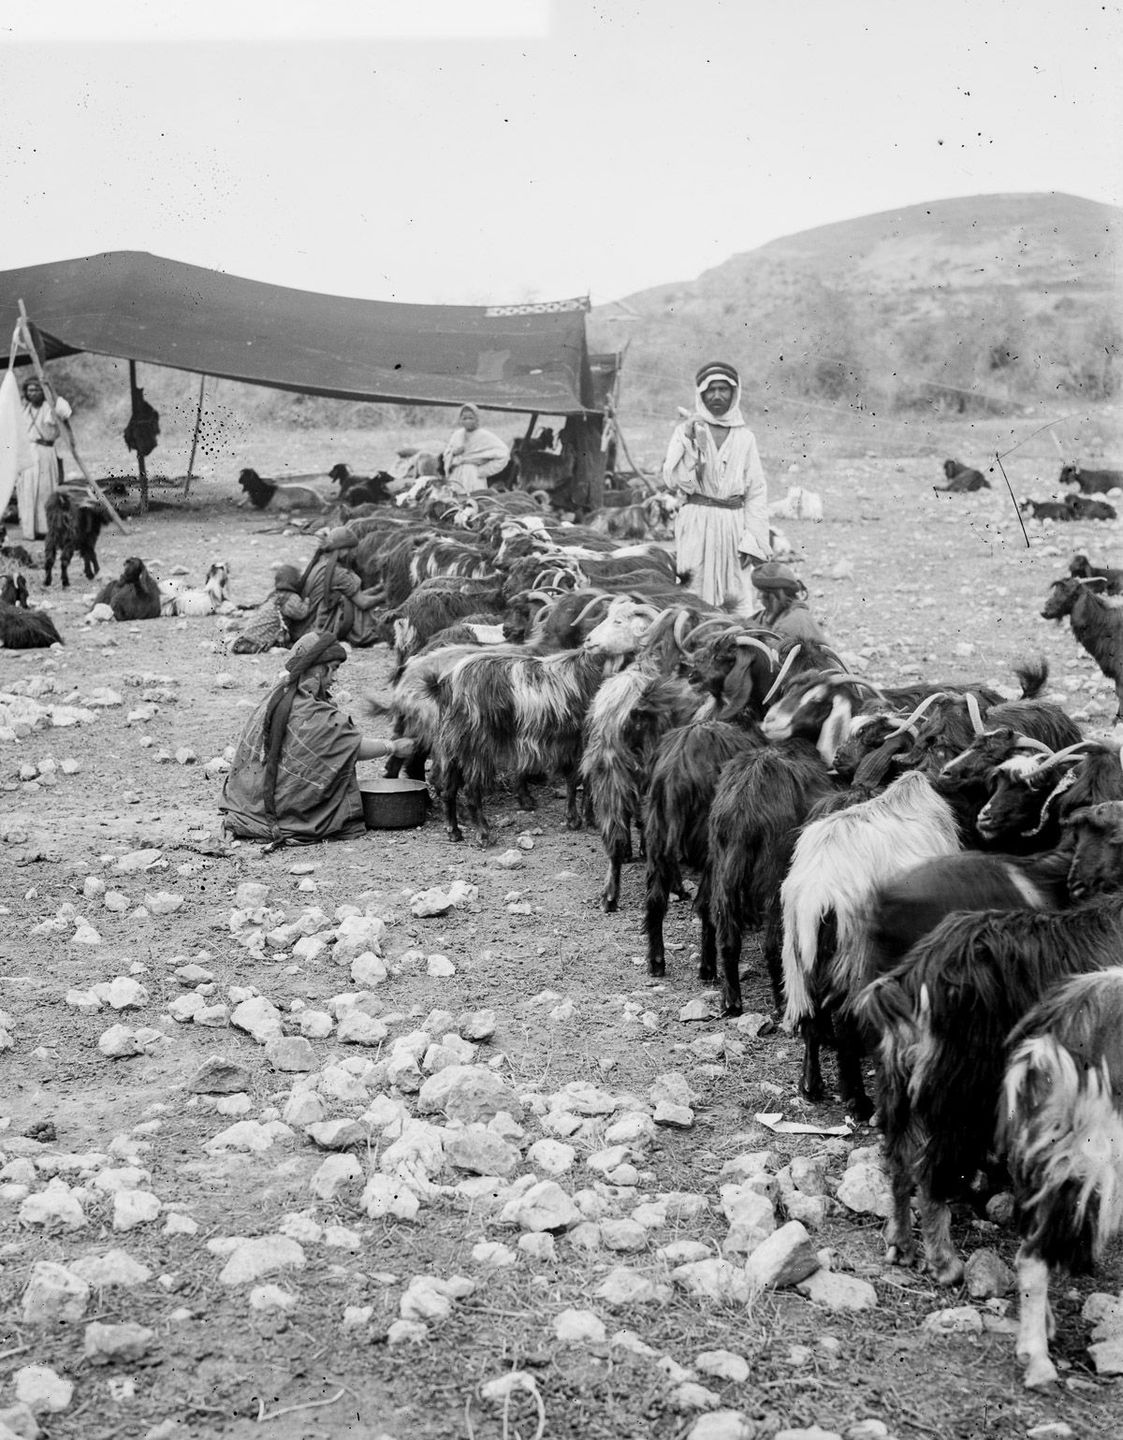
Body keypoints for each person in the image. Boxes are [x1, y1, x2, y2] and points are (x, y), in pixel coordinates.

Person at [220, 630, 416, 844]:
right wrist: (393, 747)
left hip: (249, 799)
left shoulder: (279, 694)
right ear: (315, 669)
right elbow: (350, 747)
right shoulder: (310, 712)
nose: (334, 678)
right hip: (285, 809)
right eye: (332, 669)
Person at [661, 361, 770, 609]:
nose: (717, 396)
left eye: (724, 389)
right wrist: (689, 444)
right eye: (711, 390)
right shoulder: (685, 431)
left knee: (735, 593)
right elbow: (672, 478)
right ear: (701, 393)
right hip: (696, 521)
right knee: (693, 590)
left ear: (734, 393)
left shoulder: (745, 438)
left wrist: (753, 540)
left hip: (733, 526)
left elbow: (756, 492)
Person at [296, 526, 384, 647]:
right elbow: (363, 602)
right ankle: (366, 636)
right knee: (351, 603)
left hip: (305, 626)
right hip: (318, 627)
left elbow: (355, 593)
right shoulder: (338, 573)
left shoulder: (321, 562)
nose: (355, 554)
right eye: (352, 550)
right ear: (342, 551)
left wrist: (378, 588)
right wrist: (386, 595)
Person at [17, 377, 72, 540]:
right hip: (28, 453)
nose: (32, 393)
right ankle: (31, 530)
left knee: (45, 492)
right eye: (30, 390)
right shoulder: (24, 409)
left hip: (45, 453)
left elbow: (64, 412)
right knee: (27, 491)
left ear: (43, 392)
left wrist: (51, 390)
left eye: (37, 390)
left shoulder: (49, 408)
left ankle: (47, 529)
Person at [230, 565, 311, 654]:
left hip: (248, 637)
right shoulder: (290, 598)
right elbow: (301, 613)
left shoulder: (274, 595)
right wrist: (307, 600)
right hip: (260, 640)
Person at [748, 561, 827, 644]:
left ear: (775, 595)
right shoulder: (772, 612)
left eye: (761, 591)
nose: (758, 596)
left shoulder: (795, 623)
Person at [442, 404, 510, 494]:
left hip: (473, 474)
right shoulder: (457, 435)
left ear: (477, 419)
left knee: (474, 500)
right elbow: (446, 454)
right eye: (464, 418)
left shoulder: (484, 436)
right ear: (460, 420)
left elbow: (503, 453)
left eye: (470, 418)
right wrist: (454, 453)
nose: (467, 421)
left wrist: (482, 470)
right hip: (456, 474)